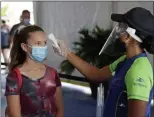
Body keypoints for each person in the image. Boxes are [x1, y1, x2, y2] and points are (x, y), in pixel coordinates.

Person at [52, 7, 154, 117]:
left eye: (121, 27)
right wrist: (66, 53)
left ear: (128, 36)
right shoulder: (126, 60)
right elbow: (96, 75)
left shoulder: (139, 70)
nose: (117, 32)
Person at [5, 25, 64, 117]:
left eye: (44, 43)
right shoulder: (15, 76)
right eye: (38, 43)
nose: (43, 47)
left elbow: (59, 110)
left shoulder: (53, 73)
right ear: (25, 47)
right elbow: (14, 114)